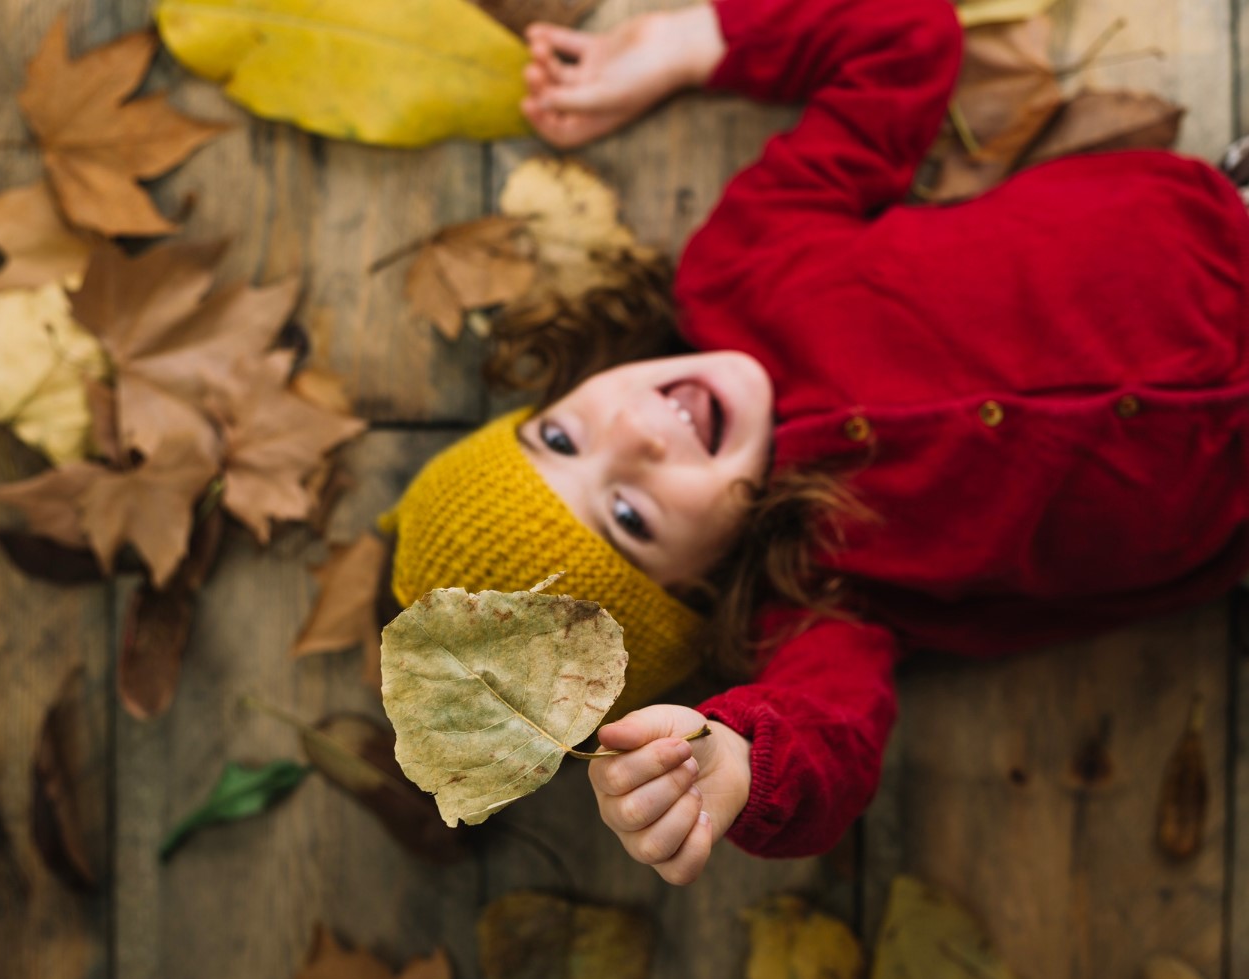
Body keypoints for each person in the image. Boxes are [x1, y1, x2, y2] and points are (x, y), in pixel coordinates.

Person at [378, 0, 1249, 884]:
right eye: (630, 515)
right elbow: (831, 739)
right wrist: (735, 763)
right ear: (698, 589)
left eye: (561, 435)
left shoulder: (741, 266)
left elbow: (904, 40)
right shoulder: (823, 600)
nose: (637, 431)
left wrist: (695, 44)